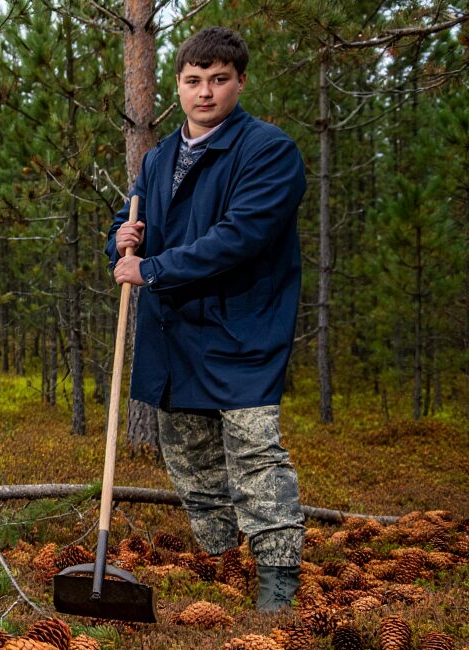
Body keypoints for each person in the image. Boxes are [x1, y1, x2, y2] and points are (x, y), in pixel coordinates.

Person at [105, 27, 306, 613]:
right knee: (191, 462)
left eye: (219, 80)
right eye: (194, 81)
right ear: (178, 85)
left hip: (242, 329)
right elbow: (132, 217)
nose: (206, 92)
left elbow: (238, 238)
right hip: (175, 334)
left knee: (254, 453)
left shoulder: (268, 151)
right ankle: (221, 567)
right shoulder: (158, 157)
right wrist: (121, 236)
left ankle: (277, 582)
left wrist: (154, 269)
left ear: (240, 82)